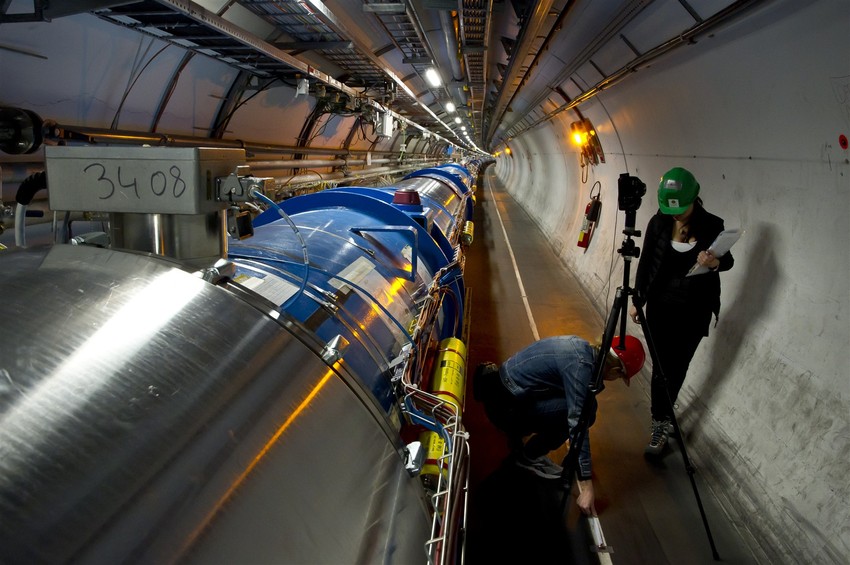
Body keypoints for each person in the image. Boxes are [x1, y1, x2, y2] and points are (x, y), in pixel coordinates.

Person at [472, 334, 645, 515]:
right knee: (586, 411)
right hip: (505, 410)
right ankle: (528, 457)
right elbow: (577, 421)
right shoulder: (580, 367)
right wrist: (586, 485)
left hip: (504, 396)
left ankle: (522, 446)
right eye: (619, 376)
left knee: (587, 406)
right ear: (616, 369)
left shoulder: (581, 349)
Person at [629, 167, 734, 456]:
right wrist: (638, 299)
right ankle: (659, 422)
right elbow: (647, 261)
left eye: (680, 208)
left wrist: (714, 263)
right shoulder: (658, 222)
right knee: (662, 368)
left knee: (679, 366)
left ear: (694, 199)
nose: (675, 215)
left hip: (695, 308)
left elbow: (728, 262)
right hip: (661, 307)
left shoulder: (713, 225)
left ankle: (663, 413)